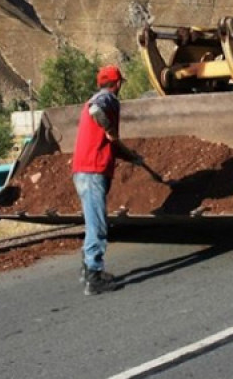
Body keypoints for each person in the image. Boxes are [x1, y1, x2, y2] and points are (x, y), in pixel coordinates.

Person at [72, 65, 142, 295]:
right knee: (98, 225)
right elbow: (95, 109)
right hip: (92, 170)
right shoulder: (106, 99)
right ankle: (94, 276)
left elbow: (109, 143)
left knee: (94, 221)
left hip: (86, 169)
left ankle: (90, 270)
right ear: (118, 83)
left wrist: (131, 156)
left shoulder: (103, 99)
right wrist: (110, 127)